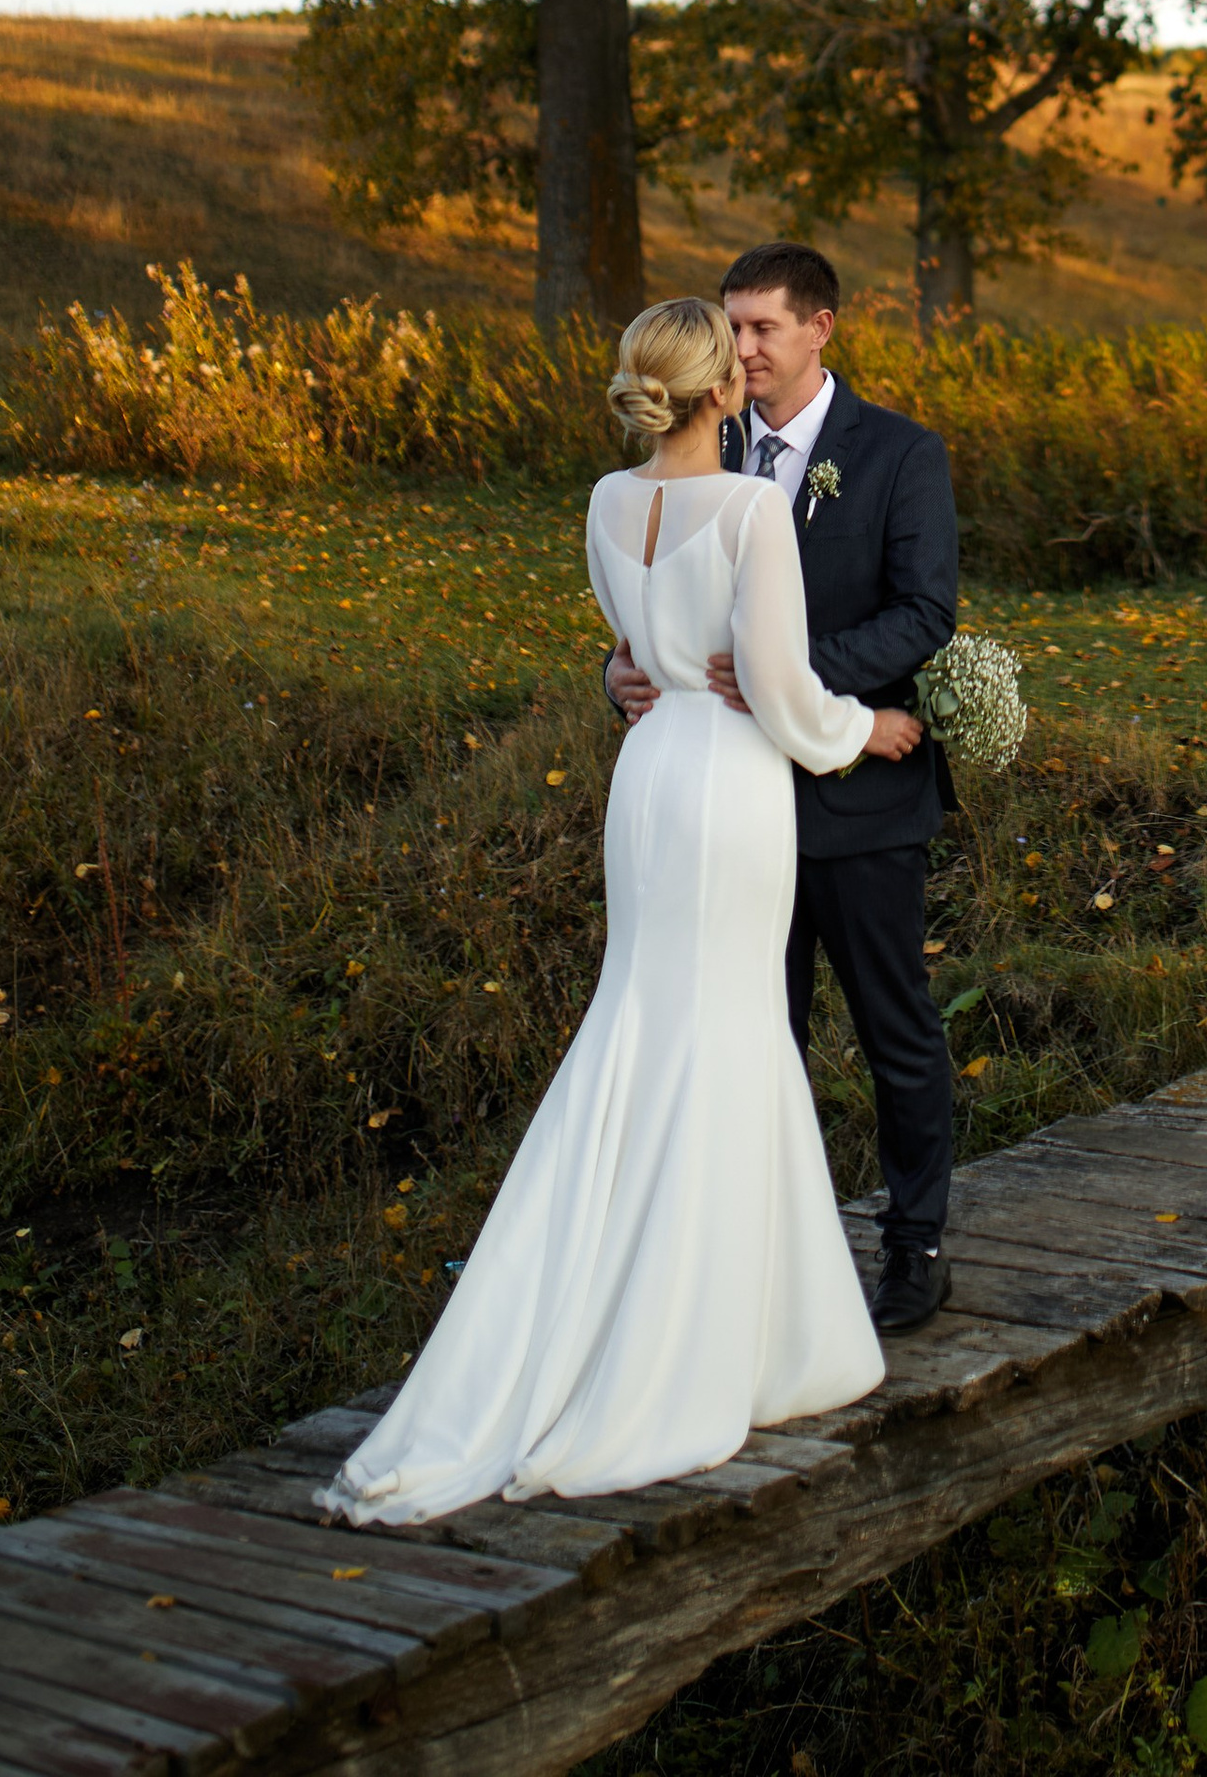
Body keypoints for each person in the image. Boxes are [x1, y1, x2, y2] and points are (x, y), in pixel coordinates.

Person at [317, 298, 919, 1522]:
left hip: (645, 784)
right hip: (729, 784)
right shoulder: (753, 510)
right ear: (722, 394)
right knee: (725, 1033)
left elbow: (635, 652)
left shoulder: (604, 502)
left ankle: (677, 1313)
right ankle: (703, 1343)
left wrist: (620, 671)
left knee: (646, 1025)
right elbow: (782, 693)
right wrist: (875, 728)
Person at [605, 242, 961, 1334]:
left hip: (853, 797)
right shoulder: (694, 459)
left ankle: (915, 1245)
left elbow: (923, 612)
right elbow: (653, 607)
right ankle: (758, 1259)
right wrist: (620, 669)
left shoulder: (898, 454)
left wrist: (790, 685)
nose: (744, 348)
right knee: (756, 1038)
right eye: (733, 327)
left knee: (893, 1029)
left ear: (822, 330)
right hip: (722, 811)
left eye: (764, 327)